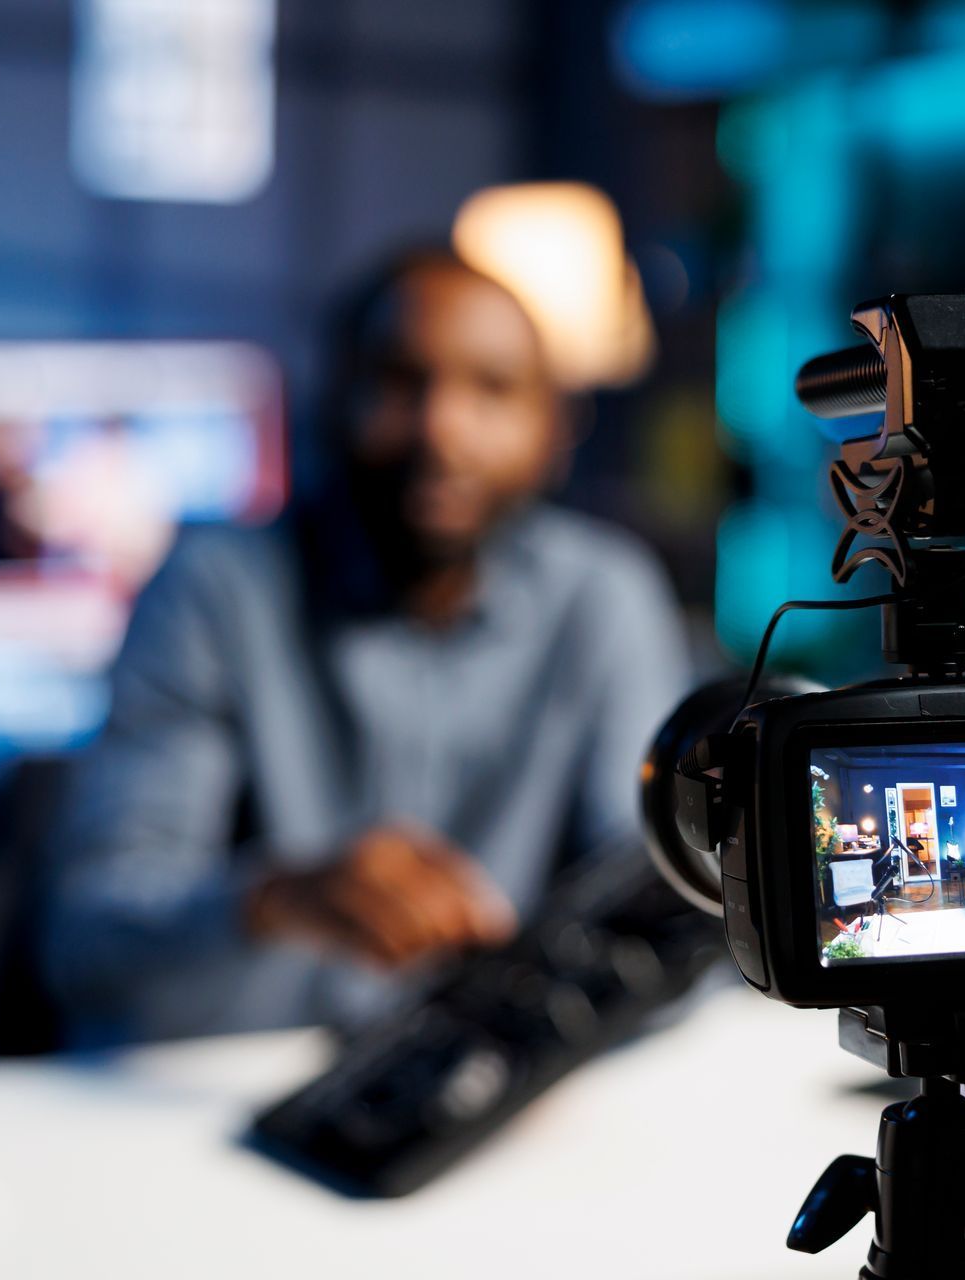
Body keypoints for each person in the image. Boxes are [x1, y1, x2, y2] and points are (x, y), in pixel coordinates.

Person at [43, 250, 690, 1041]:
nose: (442, 428)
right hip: (233, 1071)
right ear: (331, 398)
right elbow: (92, 943)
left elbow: (660, 909)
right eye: (397, 380)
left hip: (493, 1071)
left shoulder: (604, 598)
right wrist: (276, 899)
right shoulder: (212, 591)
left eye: (493, 388)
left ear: (555, 428)